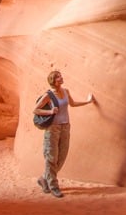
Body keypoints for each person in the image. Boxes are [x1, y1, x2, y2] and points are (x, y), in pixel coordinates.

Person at [33, 70, 95, 198]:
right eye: (58, 77)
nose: (61, 78)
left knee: (62, 156)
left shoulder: (66, 91)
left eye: (60, 76)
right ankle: (53, 186)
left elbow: (72, 104)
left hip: (65, 127)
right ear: (53, 81)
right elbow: (35, 110)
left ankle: (44, 178)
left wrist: (88, 102)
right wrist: (50, 112)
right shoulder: (48, 95)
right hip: (53, 128)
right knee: (51, 157)